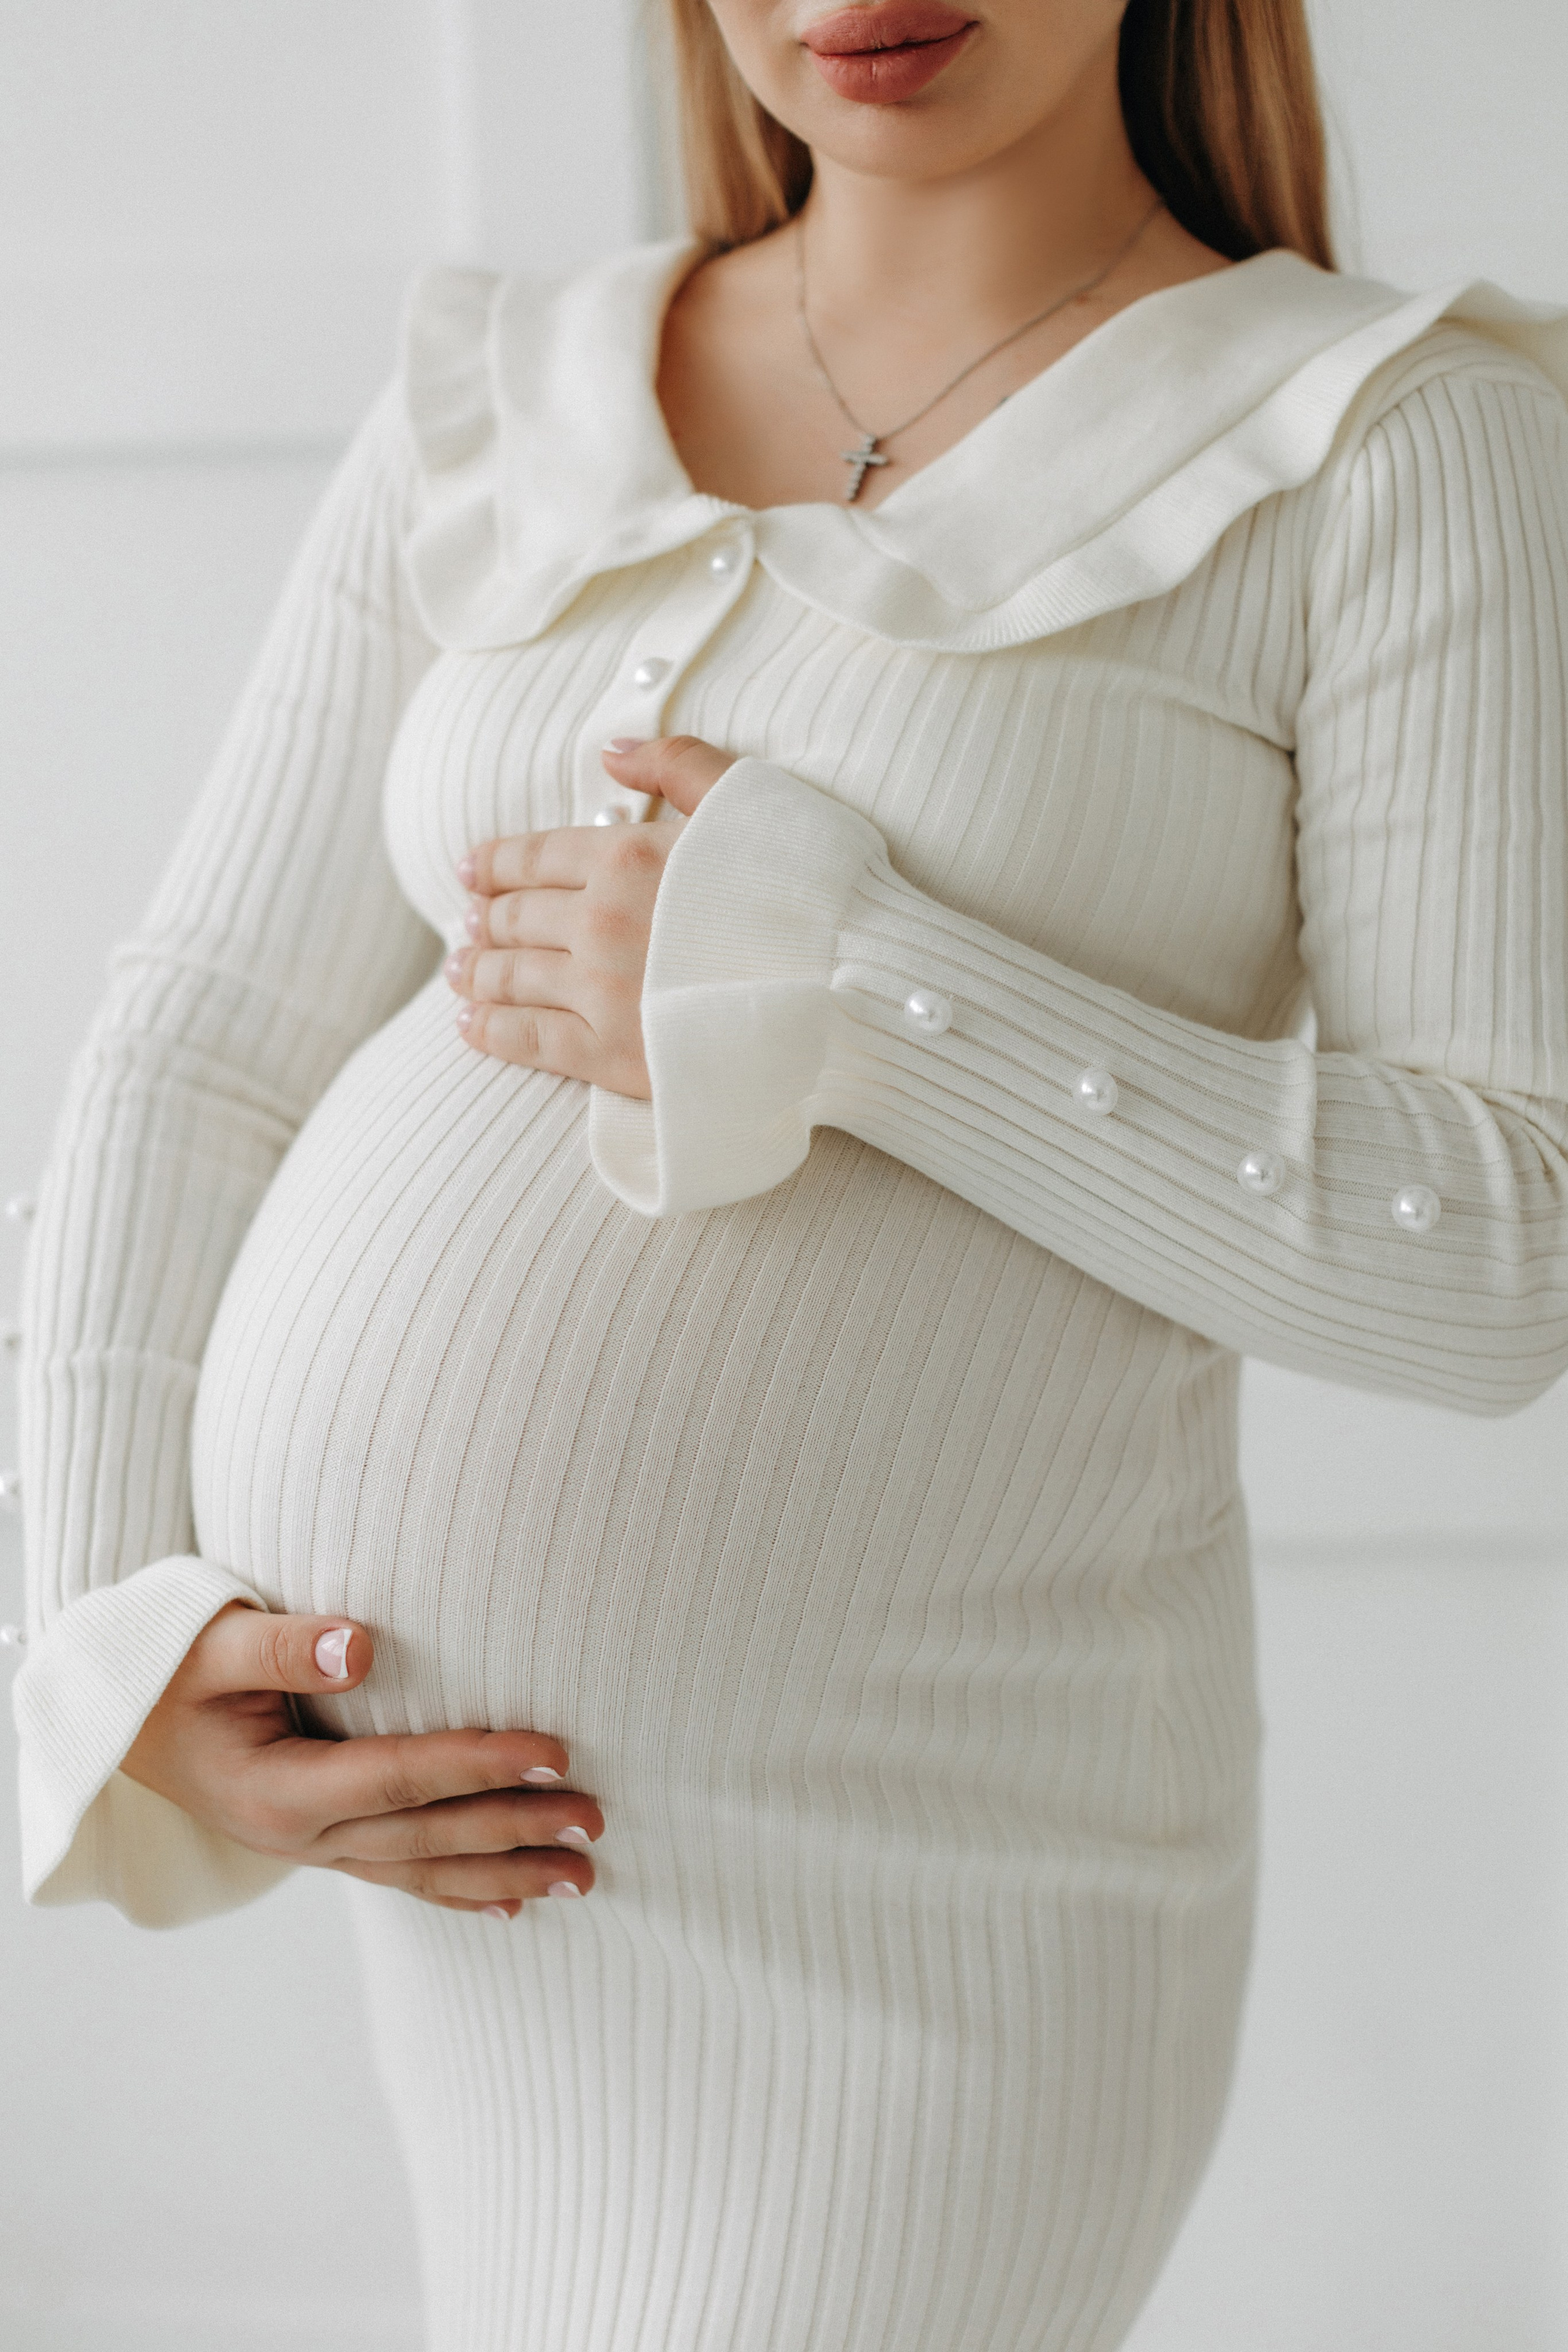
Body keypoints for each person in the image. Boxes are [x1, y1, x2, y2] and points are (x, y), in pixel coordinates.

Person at [13, 2, 1568, 2346]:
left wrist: (850, 985)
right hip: (485, 1890)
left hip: (933, 1900)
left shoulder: (1389, 441)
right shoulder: (509, 391)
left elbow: (1499, 1255)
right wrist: (103, 1626)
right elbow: (204, 1027)